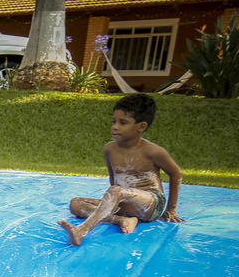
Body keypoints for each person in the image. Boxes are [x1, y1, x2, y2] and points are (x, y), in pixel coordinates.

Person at [59, 93, 184, 246]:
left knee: (115, 191)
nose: (115, 126)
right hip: (123, 201)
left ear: (141, 127)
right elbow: (113, 178)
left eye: (123, 123)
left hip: (150, 204)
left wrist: (171, 209)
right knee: (76, 204)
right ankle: (121, 220)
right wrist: (112, 205)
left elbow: (176, 173)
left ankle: (82, 231)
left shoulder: (152, 151)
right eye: (114, 121)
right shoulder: (109, 149)